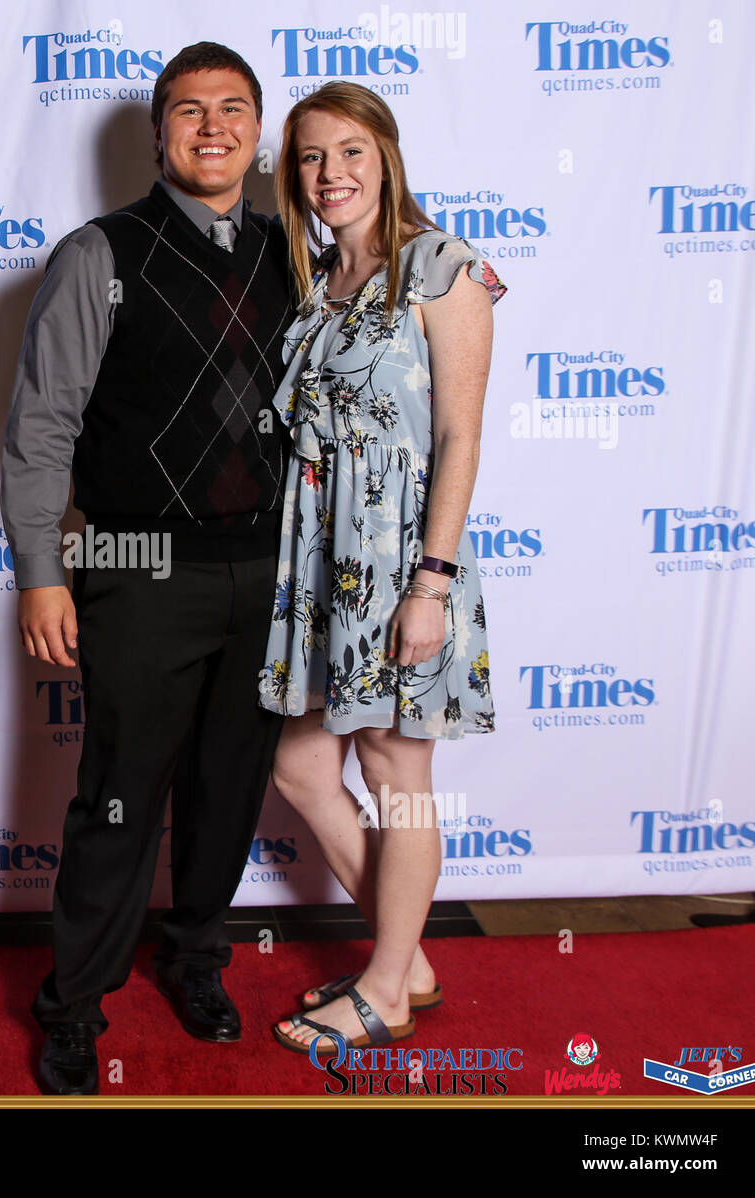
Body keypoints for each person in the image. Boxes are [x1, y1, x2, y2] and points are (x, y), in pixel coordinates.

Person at [0, 41, 293, 1094]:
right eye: (187, 112)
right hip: (136, 565)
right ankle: (73, 1005)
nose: (211, 128)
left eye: (232, 109)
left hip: (266, 569)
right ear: (158, 132)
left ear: (260, 133)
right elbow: (41, 427)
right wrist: (40, 568)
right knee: (118, 798)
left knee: (227, 791)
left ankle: (198, 957)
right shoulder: (100, 254)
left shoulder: (292, 253)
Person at [257, 82, 507, 1055]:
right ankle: (405, 959)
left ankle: (385, 990)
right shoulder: (318, 282)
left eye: (350, 152)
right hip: (319, 559)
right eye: (312, 158)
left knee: (395, 769)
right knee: (301, 763)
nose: (331, 175)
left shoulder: (444, 269)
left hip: (404, 559)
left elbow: (459, 435)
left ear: (386, 156)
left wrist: (431, 583)